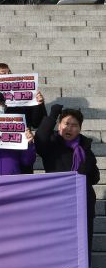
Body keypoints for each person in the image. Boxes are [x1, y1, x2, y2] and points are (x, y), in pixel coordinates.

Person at [35, 104, 100, 253]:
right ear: (59, 125)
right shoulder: (51, 144)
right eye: (66, 124)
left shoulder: (84, 148)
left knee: (82, 249)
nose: (70, 128)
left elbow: (95, 178)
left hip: (83, 204)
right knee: (58, 249)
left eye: (74, 125)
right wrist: (53, 114)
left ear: (80, 129)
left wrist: (87, 163)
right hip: (58, 203)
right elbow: (40, 138)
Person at [0, 62, 46, 129]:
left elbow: (37, 124)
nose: (8, 75)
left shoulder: (25, 97)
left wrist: (38, 104)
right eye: (2, 74)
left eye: (9, 73)